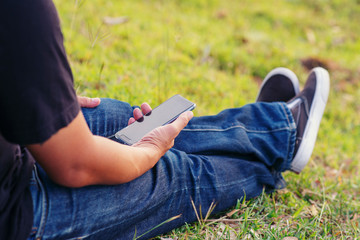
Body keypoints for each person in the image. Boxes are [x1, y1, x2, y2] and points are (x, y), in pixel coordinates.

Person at [0, 0, 330, 239]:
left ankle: (273, 131)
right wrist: (145, 154)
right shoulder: (20, 11)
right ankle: (272, 154)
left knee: (120, 117)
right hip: (16, 215)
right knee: (167, 174)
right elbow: (75, 165)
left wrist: (39, 95)